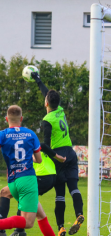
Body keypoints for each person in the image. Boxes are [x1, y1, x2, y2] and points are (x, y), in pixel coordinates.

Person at [0, 105, 56, 236]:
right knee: (28, 223)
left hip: (13, 182)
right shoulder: (30, 134)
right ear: (21, 118)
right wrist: (30, 158)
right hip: (28, 180)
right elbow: (39, 160)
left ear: (6, 119)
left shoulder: (2, 134)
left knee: (41, 215)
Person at [31, 72, 84, 236]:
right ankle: (79, 215)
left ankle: (61, 227)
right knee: (74, 188)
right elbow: (47, 93)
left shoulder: (47, 120)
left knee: (60, 193)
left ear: (46, 103)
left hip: (59, 155)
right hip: (71, 152)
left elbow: (45, 145)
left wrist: (53, 156)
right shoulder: (60, 111)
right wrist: (38, 80)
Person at [0, 143, 66, 236]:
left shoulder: (25, 145)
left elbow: (39, 153)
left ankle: (0, 228)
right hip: (51, 176)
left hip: (41, 176)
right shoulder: (30, 144)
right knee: (40, 215)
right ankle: (18, 231)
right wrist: (58, 157)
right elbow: (43, 146)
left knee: (8, 193)